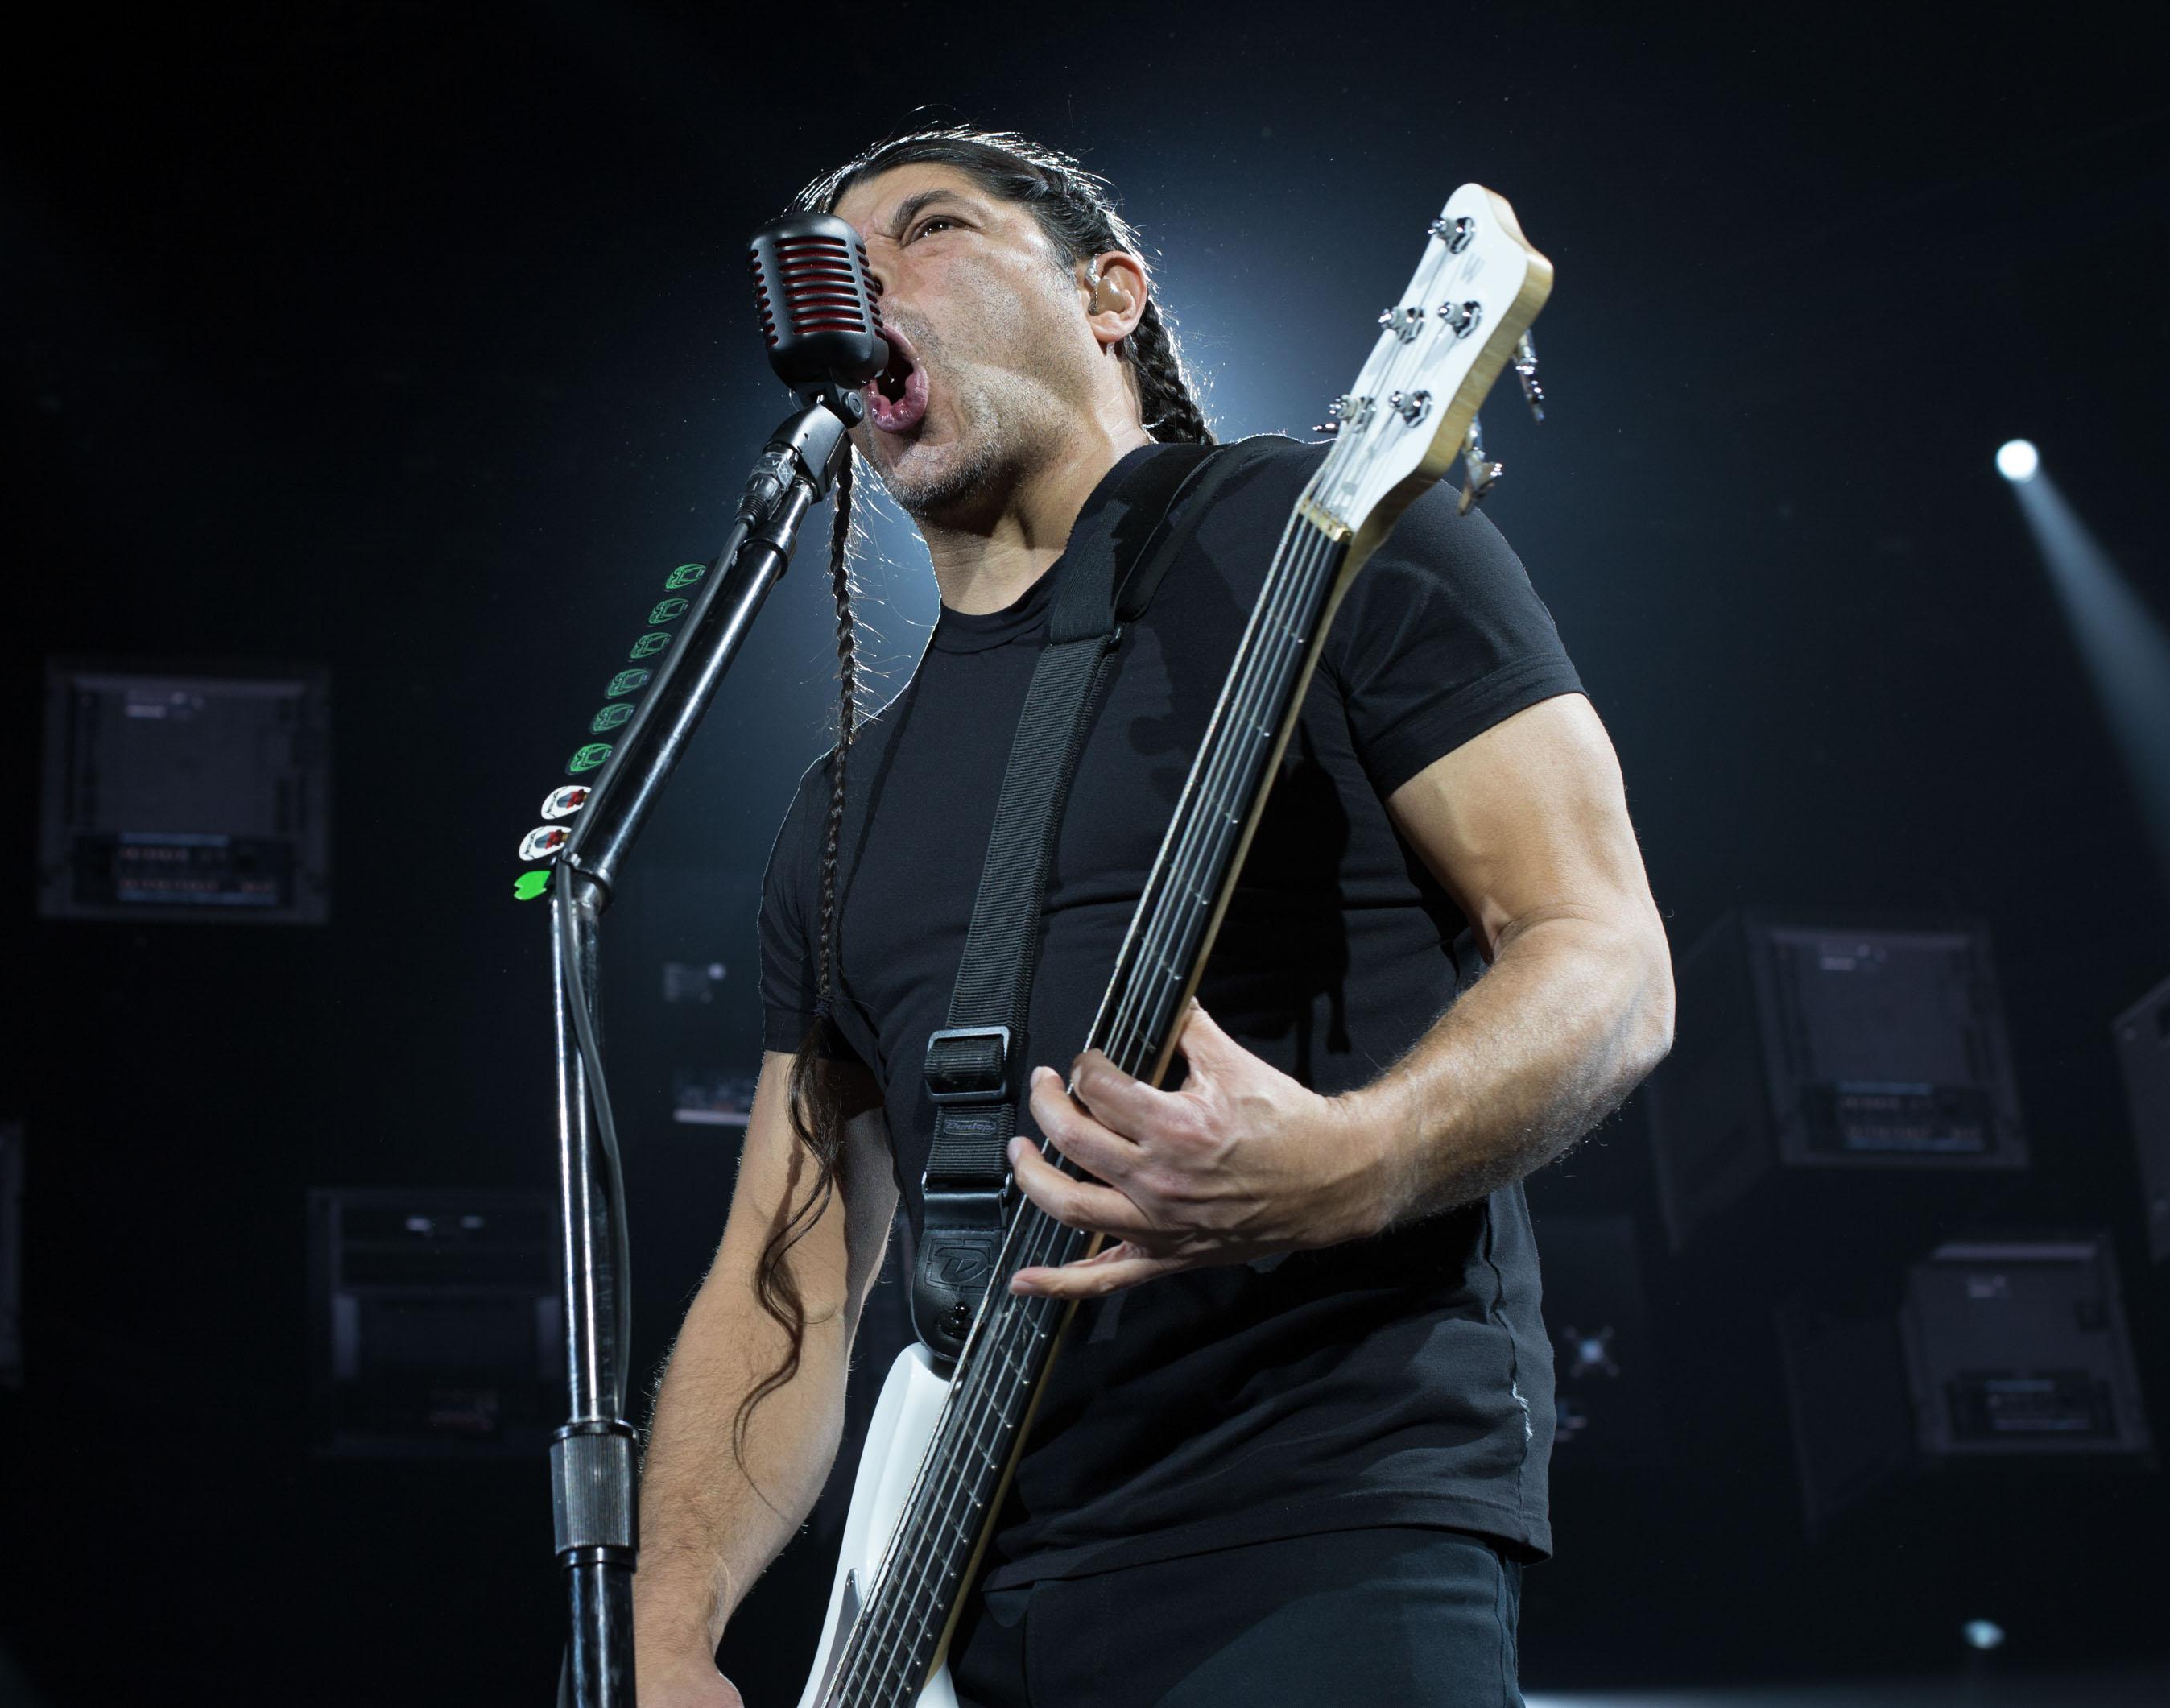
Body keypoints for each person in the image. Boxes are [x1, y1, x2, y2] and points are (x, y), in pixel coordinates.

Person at [634, 128, 1675, 1708]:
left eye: (928, 229)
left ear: (1110, 294)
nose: (862, 281)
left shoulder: (1327, 531)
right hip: (973, 1610)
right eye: (838, 263)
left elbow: (1603, 951)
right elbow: (786, 1271)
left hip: (1320, 1523)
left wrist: (1355, 1158)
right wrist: (667, 1631)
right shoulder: (836, 810)